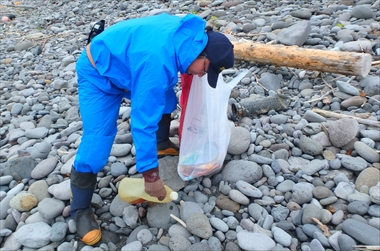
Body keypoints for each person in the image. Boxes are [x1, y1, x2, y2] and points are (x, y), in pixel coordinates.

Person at [70, 13, 234, 245]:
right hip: (98, 73)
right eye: (205, 68)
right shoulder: (157, 61)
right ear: (201, 53)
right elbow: (142, 122)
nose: (201, 74)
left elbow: (160, 83)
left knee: (165, 97)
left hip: (128, 64)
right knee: (98, 140)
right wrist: (151, 176)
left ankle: (160, 144)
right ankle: (79, 208)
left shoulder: (186, 39)